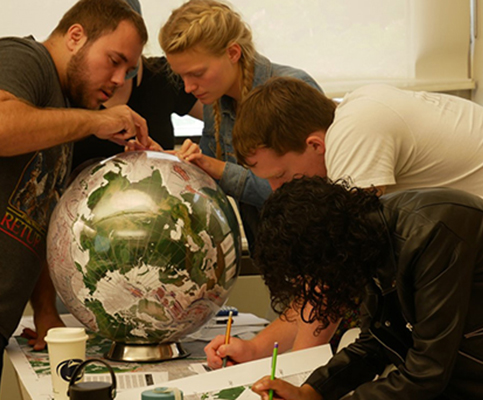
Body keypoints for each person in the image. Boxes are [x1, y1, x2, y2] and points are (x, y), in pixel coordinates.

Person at [202, 76, 483, 369]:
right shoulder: (351, 118)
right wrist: (258, 350)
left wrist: (297, 376)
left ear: (314, 145)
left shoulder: (354, 137)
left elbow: (333, 283)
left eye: (282, 176)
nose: (275, 190)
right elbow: (321, 286)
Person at [250, 177, 483, 400]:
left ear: (328, 254)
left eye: (310, 276)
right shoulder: (366, 239)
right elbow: (377, 342)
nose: (313, 288)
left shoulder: (431, 234)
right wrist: (313, 391)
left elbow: (427, 373)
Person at [0, 0, 150, 377]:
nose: (119, 80)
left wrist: (46, 311)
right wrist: (94, 122)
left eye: (129, 70)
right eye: (114, 60)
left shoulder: (60, 109)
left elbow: (37, 220)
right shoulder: (24, 57)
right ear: (75, 36)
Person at [156, 0, 322, 249]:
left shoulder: (292, 90)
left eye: (198, 74)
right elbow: (209, 177)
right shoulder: (216, 101)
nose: (189, 88)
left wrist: (218, 169)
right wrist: (174, 163)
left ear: (233, 53)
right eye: (181, 76)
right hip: (269, 248)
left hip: (315, 247)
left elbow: (309, 192)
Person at [71, 0, 202, 171]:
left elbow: (224, 117)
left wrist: (188, 161)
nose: (118, 80)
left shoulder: (164, 76)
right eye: (114, 60)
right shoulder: (65, 86)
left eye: (128, 66)